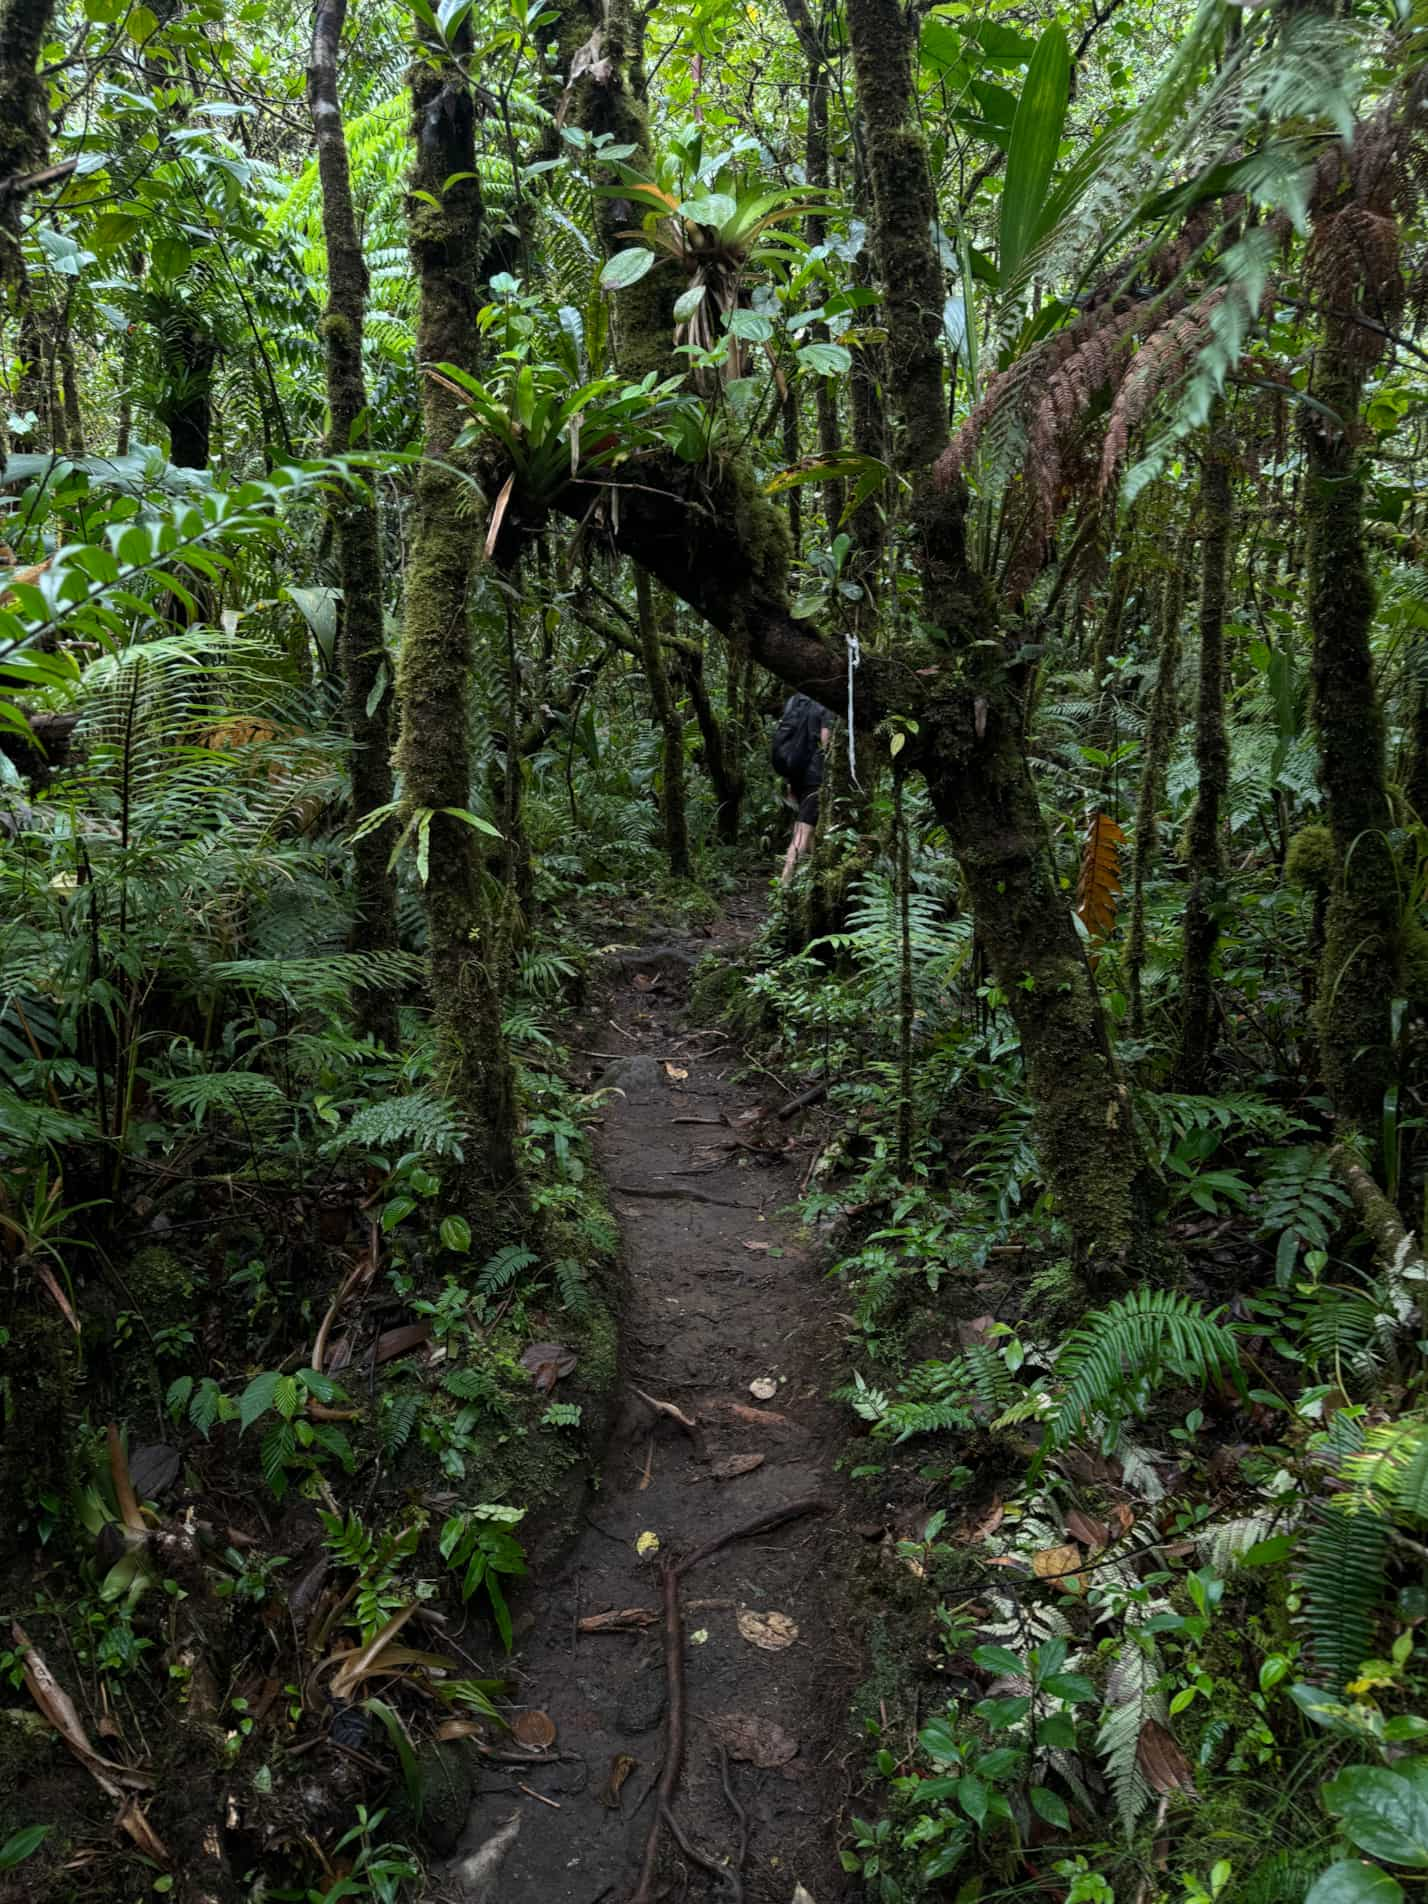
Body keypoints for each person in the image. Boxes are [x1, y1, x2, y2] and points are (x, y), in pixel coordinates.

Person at [771, 691, 832, 884]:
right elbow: (826, 741)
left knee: (809, 826)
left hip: (796, 773)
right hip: (816, 776)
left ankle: (817, 881)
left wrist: (790, 780)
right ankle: (784, 884)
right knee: (803, 832)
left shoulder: (797, 699)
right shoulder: (829, 703)